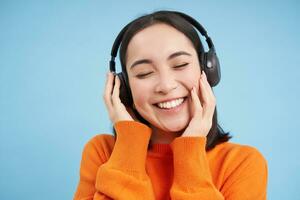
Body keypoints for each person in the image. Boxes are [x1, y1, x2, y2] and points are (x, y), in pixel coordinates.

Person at [73, 10, 268, 200]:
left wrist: (190, 151)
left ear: (207, 71)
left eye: (180, 65)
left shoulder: (242, 163)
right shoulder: (102, 153)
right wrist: (129, 143)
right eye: (144, 73)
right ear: (123, 87)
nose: (166, 86)